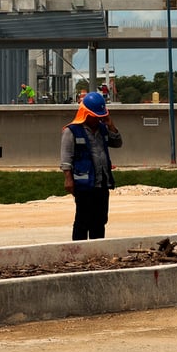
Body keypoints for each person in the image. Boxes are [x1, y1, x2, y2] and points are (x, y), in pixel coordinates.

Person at [60, 91, 123, 241]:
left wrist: (110, 124)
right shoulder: (71, 131)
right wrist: (68, 179)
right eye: (95, 115)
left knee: (100, 221)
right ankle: (79, 251)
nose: (97, 119)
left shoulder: (102, 129)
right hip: (84, 184)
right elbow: (66, 157)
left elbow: (118, 143)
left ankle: (97, 249)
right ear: (85, 113)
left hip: (102, 184)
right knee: (83, 220)